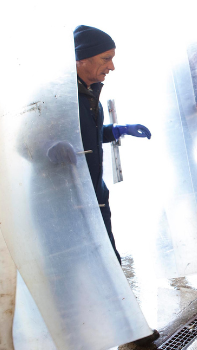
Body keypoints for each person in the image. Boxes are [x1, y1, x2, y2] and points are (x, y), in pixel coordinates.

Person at [70, 25, 151, 262]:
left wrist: (116, 130)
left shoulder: (89, 90)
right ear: (81, 59)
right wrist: (50, 150)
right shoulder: (58, 97)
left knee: (107, 259)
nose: (112, 66)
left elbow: (87, 136)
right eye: (106, 58)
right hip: (69, 200)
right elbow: (24, 145)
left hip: (95, 192)